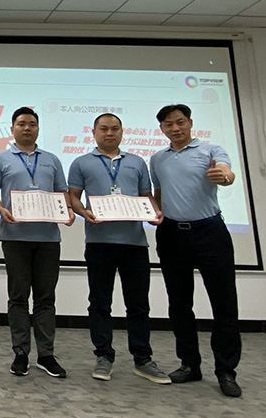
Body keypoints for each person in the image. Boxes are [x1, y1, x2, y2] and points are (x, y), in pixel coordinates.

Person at [67, 113, 169, 384]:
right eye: (104, 129)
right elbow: (73, 197)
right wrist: (83, 212)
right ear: (94, 132)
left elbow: (145, 197)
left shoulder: (136, 162)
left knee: (138, 304)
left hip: (134, 243)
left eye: (114, 129)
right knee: (100, 303)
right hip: (99, 242)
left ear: (122, 132)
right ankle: (104, 356)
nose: (109, 133)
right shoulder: (81, 162)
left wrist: (155, 212)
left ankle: (143, 359)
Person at [150, 104, 242, 397]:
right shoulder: (157, 159)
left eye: (180, 122)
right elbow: (159, 193)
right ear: (162, 129)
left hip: (209, 232)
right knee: (179, 303)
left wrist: (224, 176)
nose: (175, 128)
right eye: (168, 124)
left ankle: (226, 370)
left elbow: (227, 172)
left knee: (224, 303)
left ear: (190, 123)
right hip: (172, 234)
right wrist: (153, 211)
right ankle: (190, 364)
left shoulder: (210, 150)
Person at [0, 107, 74, 378]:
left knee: (46, 298)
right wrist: (1, 210)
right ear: (12, 128)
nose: (27, 128)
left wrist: (68, 210)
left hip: (48, 238)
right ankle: (21, 353)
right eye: (22, 123)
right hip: (15, 237)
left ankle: (46, 355)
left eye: (32, 124)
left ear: (38, 128)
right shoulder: (1, 159)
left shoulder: (51, 159)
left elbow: (62, 191)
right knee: (18, 297)